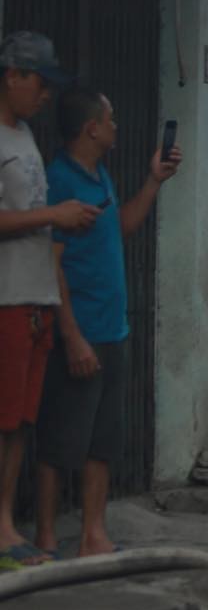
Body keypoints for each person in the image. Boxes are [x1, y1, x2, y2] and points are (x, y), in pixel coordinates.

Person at [33, 86, 179, 558]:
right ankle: (46, 537)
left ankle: (94, 535)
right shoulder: (59, 180)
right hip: (80, 331)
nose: (117, 126)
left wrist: (154, 181)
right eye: (111, 119)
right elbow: (50, 264)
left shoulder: (99, 176)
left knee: (103, 440)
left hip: (112, 328)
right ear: (91, 127)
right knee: (60, 439)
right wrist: (72, 335)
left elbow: (122, 228)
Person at [0, 33, 97, 565]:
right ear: (12, 75)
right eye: (39, 83)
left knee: (21, 420)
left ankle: (6, 523)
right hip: (7, 297)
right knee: (3, 416)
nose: (44, 96)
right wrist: (52, 217)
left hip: (35, 294)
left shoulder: (26, 137)